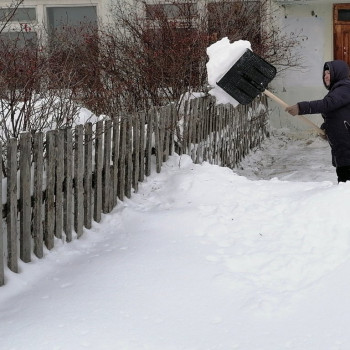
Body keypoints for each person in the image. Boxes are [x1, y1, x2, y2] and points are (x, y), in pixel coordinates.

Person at [285, 60, 350, 183]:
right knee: (344, 185)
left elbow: (327, 104)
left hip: (347, 149)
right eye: (324, 73)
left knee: (346, 188)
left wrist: (301, 107)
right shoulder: (337, 91)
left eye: (329, 73)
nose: (325, 76)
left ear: (338, 73)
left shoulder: (345, 87)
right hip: (342, 150)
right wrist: (326, 128)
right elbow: (338, 115)